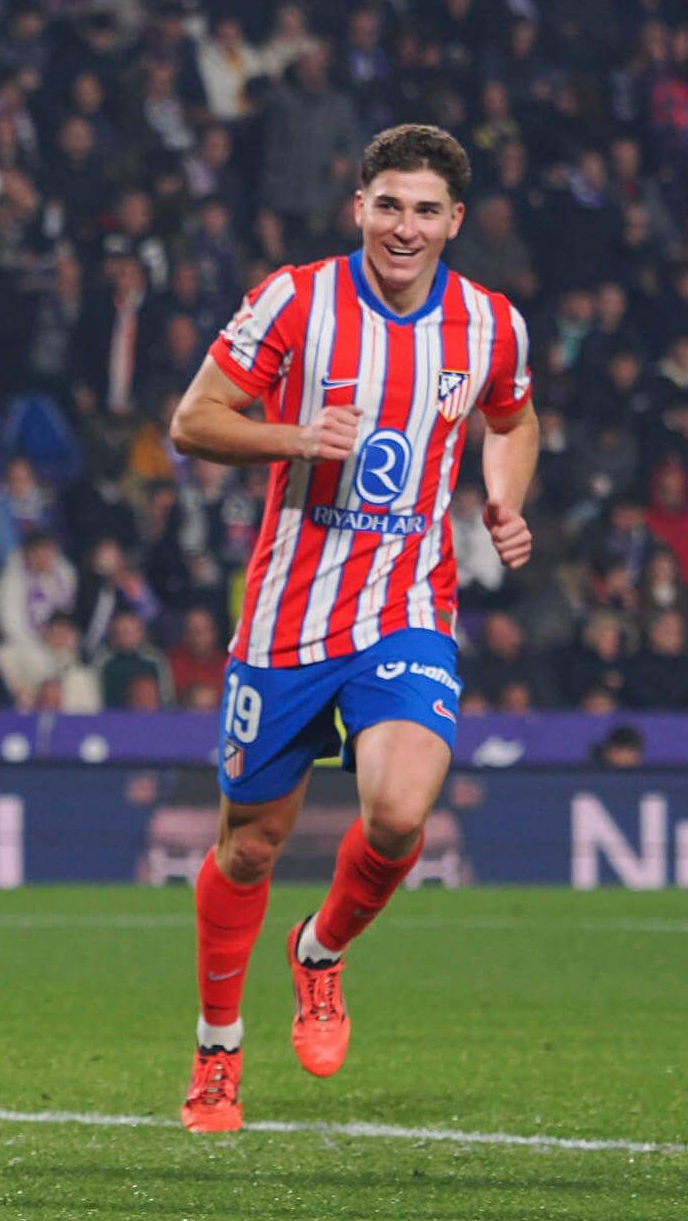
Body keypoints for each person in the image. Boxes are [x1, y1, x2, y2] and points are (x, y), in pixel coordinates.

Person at [167, 124, 537, 1133]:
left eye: (425, 211)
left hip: (409, 605)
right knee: (251, 845)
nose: (404, 227)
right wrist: (292, 435)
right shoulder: (295, 301)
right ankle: (217, 1046)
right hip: (287, 615)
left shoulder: (490, 324)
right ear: (358, 208)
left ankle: (319, 951)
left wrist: (504, 499)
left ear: (455, 221)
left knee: (400, 811)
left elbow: (512, 419)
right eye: (388, 206)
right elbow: (194, 420)